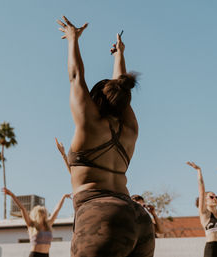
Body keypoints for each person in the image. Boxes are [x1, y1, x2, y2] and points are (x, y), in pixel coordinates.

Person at [57, 16, 155, 257]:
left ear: (96, 100)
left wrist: (72, 39)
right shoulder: (130, 128)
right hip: (139, 218)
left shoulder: (89, 125)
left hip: (100, 215)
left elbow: (76, 77)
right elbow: (123, 91)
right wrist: (119, 56)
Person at [2, 188, 71, 257]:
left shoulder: (48, 224)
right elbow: (22, 208)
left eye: (44, 212)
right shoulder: (31, 224)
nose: (44, 214)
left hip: (46, 255)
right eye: (42, 212)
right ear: (37, 214)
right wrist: (12, 195)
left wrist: (63, 197)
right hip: (35, 255)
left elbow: (57, 210)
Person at [186, 162, 217, 257]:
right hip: (212, 250)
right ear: (205, 201)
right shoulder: (205, 214)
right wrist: (199, 171)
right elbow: (201, 190)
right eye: (211, 197)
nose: (215, 198)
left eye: (216, 197)